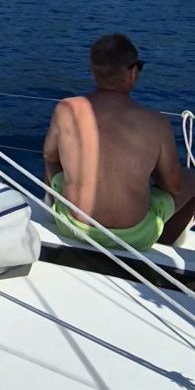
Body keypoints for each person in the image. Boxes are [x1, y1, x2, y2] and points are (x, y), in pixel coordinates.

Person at [43, 33, 195, 251]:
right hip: (135, 237)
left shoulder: (66, 109)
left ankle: (54, 209)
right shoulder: (156, 122)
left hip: (72, 226)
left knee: (52, 162)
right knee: (191, 179)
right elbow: (174, 186)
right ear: (132, 72)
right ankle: (161, 247)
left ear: (93, 70)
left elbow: (50, 156)